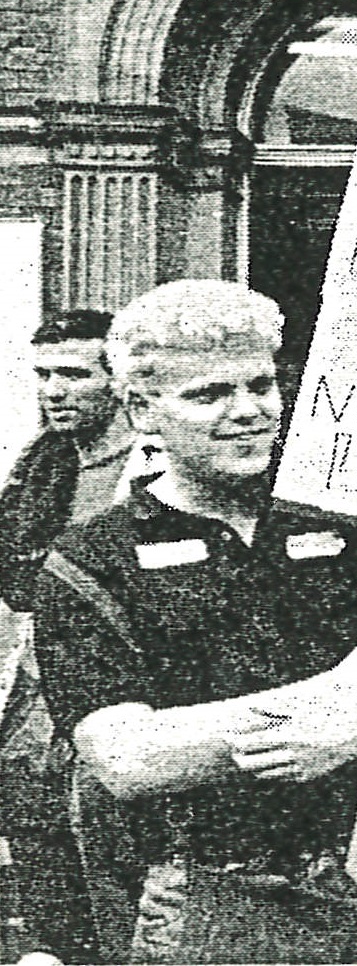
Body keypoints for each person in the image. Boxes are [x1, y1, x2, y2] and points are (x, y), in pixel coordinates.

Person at [29, 279, 357, 963]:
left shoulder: (349, 516)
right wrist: (333, 695)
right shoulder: (92, 557)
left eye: (260, 386)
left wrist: (353, 733)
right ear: (141, 410)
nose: (248, 411)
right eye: (208, 394)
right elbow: (130, 757)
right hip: (205, 890)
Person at [0, 309, 137, 963]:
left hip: (127, 693)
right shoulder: (41, 467)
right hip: (39, 694)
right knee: (36, 832)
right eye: (44, 375)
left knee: (122, 864)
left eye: (74, 374)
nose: (53, 390)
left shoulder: (152, 468)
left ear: (118, 379)